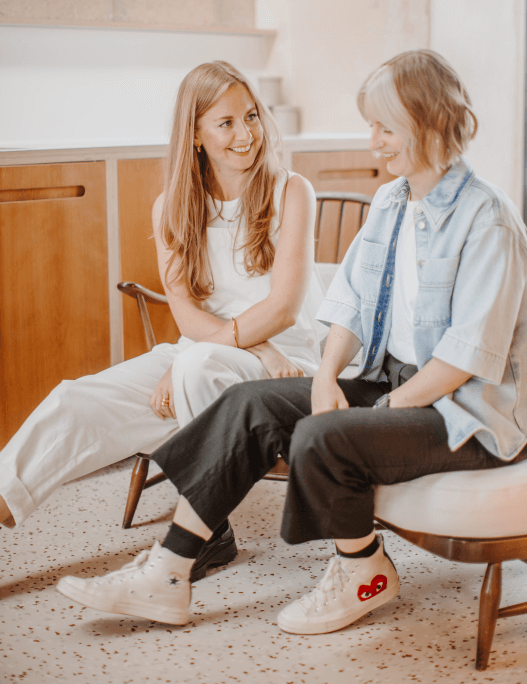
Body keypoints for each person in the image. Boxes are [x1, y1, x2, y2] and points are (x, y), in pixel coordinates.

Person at [57, 50, 527, 634]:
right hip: (395, 383)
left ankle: (363, 569)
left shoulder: (488, 219)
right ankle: (168, 572)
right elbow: (350, 303)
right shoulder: (391, 201)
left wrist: (382, 409)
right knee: (248, 404)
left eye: (385, 128)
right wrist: (326, 377)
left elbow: (464, 357)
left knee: (324, 435)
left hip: (464, 415)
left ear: (429, 122)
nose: (373, 143)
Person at [0, 61, 326, 581]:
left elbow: (283, 308)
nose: (246, 134)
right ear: (195, 135)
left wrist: (249, 350)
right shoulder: (171, 206)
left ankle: (207, 533)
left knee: (196, 367)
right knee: (75, 401)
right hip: (208, 351)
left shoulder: (292, 191)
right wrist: (244, 347)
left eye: (251, 116)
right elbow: (187, 315)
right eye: (225, 123)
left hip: (288, 362)